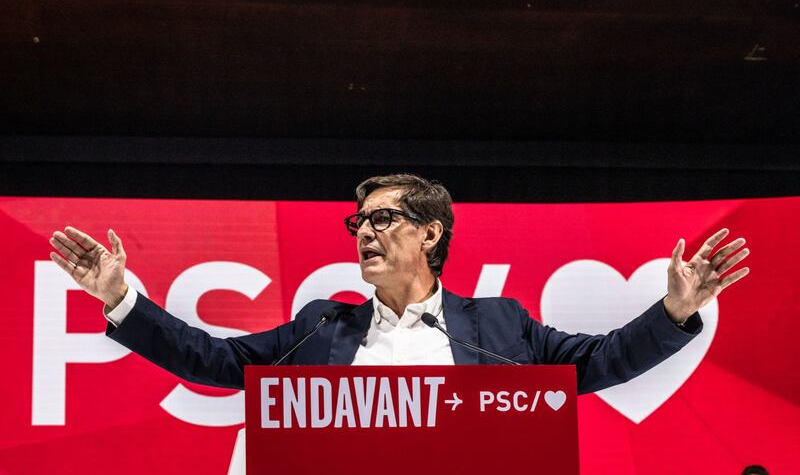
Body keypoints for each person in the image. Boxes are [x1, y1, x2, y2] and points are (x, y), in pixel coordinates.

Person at [48, 174, 750, 393]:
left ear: (431, 232)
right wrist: (120, 298)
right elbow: (215, 361)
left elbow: (600, 362)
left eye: (384, 218)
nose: (364, 232)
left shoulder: (503, 327)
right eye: (358, 220)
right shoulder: (323, 327)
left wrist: (675, 309)